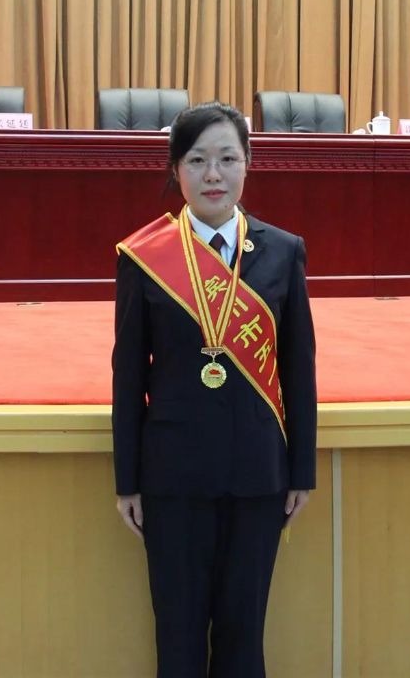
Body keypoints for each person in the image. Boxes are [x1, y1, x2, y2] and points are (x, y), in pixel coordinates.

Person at [112, 101, 317, 678]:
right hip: (172, 477)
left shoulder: (283, 251)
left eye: (228, 159)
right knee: (177, 640)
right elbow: (128, 375)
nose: (213, 175)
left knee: (243, 639)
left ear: (248, 164)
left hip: (258, 476)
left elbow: (298, 368)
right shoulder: (144, 258)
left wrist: (301, 471)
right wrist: (128, 480)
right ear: (175, 169)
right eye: (197, 160)